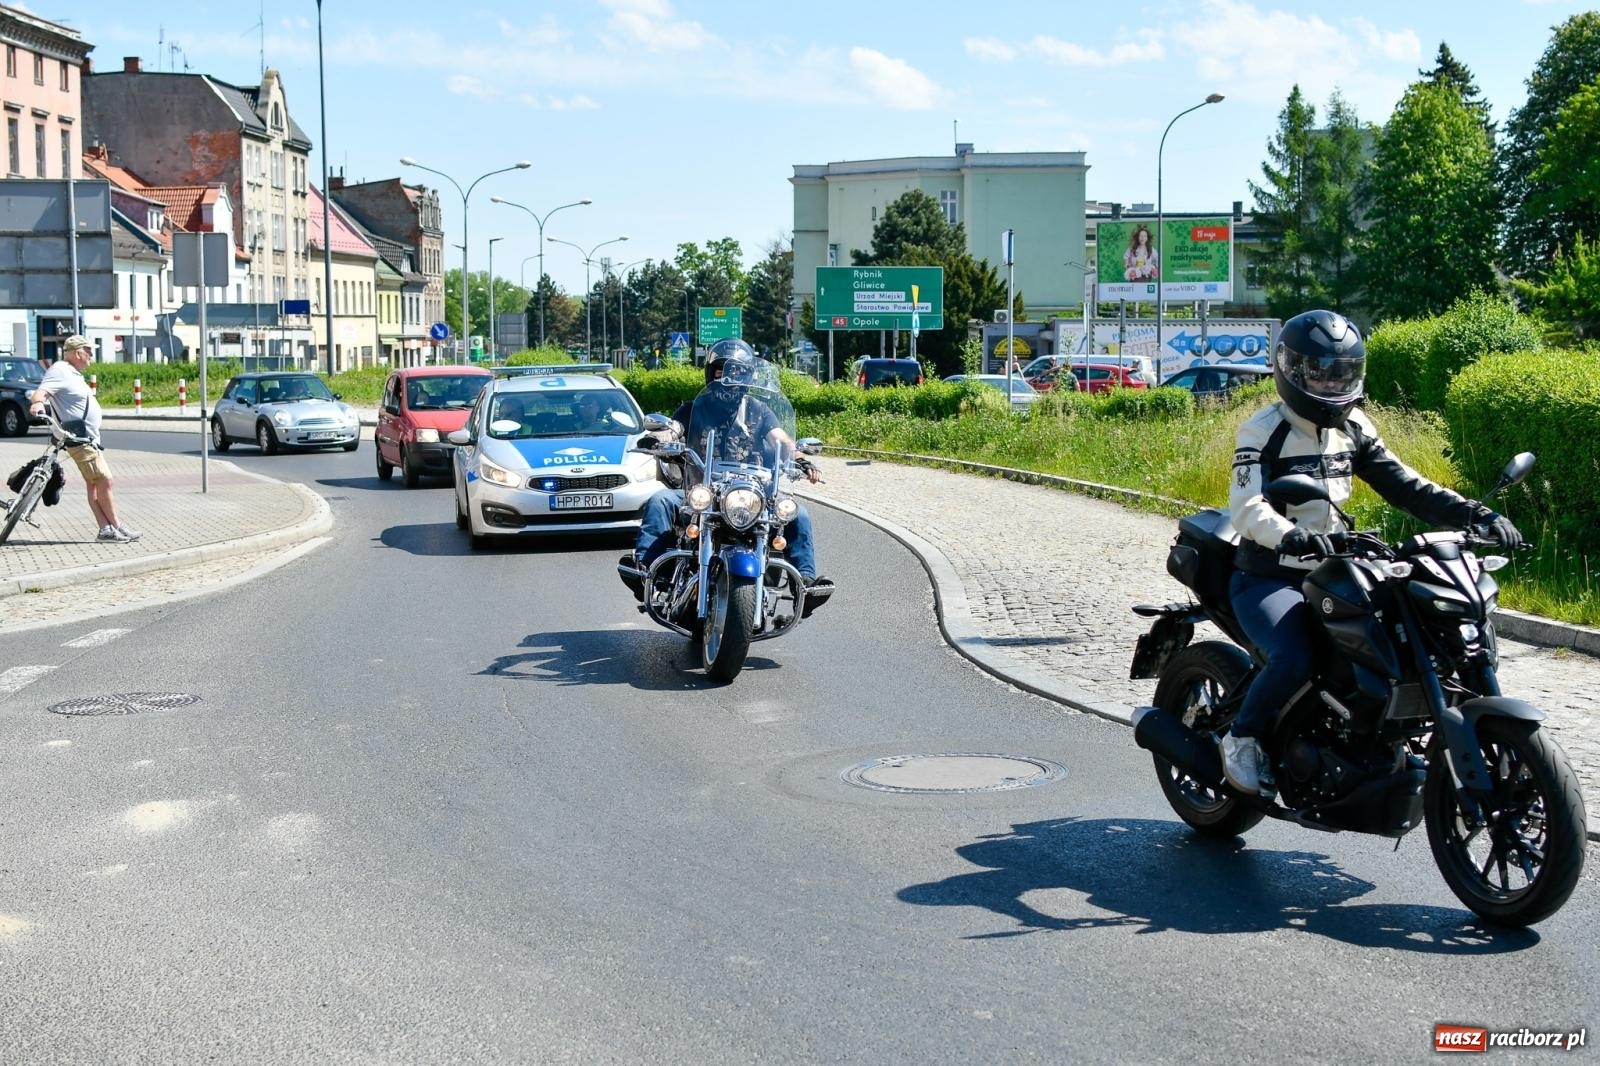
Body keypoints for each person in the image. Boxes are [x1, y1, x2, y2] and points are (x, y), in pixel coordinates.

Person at [1222, 310, 1523, 795]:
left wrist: (1476, 514)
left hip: (1335, 567)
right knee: (1295, 656)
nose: (1331, 382)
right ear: (1290, 370)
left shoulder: (1354, 427)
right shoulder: (1263, 430)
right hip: (1270, 574)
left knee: (1403, 638)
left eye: (1342, 372)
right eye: (1319, 372)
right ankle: (1242, 738)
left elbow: (1407, 486)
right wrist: (1290, 535)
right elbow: (1247, 506)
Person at [627, 338, 833, 614]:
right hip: (701, 492)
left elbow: (781, 440)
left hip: (750, 496)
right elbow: (673, 429)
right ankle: (647, 571)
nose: (728, 378)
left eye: (737, 372)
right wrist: (658, 439)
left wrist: (800, 459)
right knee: (661, 501)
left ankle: (805, 585)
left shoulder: (758, 410)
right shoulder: (694, 409)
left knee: (797, 513)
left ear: (748, 376)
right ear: (711, 373)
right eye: (721, 371)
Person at [27, 335, 141, 543]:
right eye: (88, 351)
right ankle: (117, 526)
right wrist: (38, 403)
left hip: (88, 437)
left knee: (93, 484)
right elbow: (40, 392)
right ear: (78, 353)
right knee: (105, 480)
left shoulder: (73, 373)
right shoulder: (60, 370)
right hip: (78, 438)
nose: (91, 355)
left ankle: (105, 529)